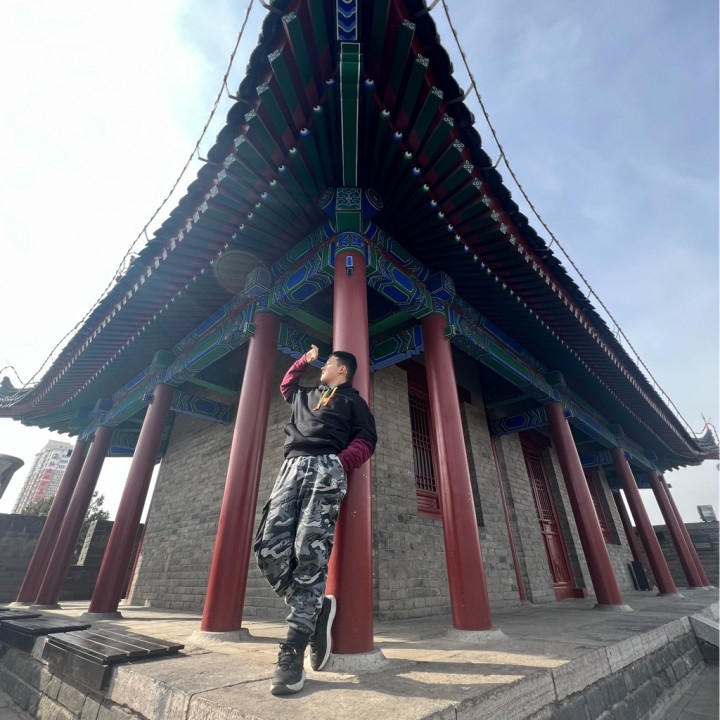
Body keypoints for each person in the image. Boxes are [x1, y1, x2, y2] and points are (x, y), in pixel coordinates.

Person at [254, 344, 377, 696]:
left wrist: (340, 462)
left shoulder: (353, 401)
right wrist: (302, 361)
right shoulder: (306, 395)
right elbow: (286, 386)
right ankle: (315, 606)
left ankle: (293, 647)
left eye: (327, 364)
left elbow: (367, 439)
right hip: (290, 467)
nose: (322, 368)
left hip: (326, 467)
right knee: (268, 549)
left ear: (342, 369)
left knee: (310, 551)